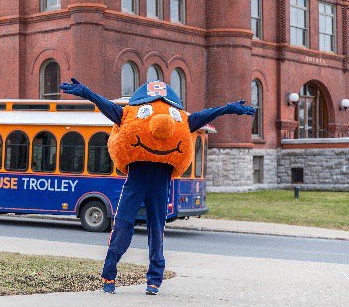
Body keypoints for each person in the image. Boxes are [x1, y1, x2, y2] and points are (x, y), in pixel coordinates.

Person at [60, 78, 255, 295]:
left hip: (160, 183)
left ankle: (154, 280)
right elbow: (107, 107)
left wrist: (228, 108)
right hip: (137, 181)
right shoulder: (129, 114)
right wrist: (87, 92)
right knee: (122, 228)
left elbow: (206, 115)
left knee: (156, 231)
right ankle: (109, 274)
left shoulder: (181, 118)